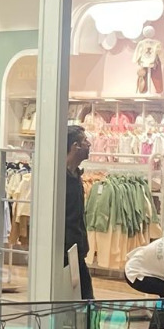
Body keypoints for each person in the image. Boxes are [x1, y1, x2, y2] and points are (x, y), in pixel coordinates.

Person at [64, 124, 93, 300]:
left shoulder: (76, 176)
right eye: (85, 141)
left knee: (85, 298)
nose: (89, 144)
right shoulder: (60, 178)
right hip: (64, 251)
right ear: (75, 146)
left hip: (77, 249)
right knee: (79, 298)